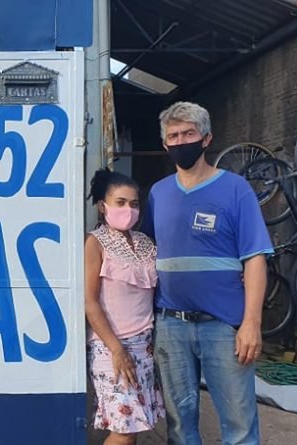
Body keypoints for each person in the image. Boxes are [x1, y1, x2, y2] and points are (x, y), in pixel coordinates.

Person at [141, 101, 272, 445]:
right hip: (170, 325)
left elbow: (255, 258)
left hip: (224, 326)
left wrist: (251, 323)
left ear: (206, 139)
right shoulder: (158, 193)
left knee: (239, 427)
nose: (180, 141)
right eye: (173, 136)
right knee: (180, 428)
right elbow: (146, 252)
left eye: (189, 133)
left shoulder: (236, 189)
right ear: (165, 144)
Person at [85, 168, 165, 445]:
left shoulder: (145, 244)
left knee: (134, 426)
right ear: (102, 206)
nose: (128, 210)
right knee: (123, 431)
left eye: (133, 203)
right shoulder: (95, 243)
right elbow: (90, 302)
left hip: (144, 346)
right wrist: (117, 349)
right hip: (111, 347)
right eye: (120, 202)